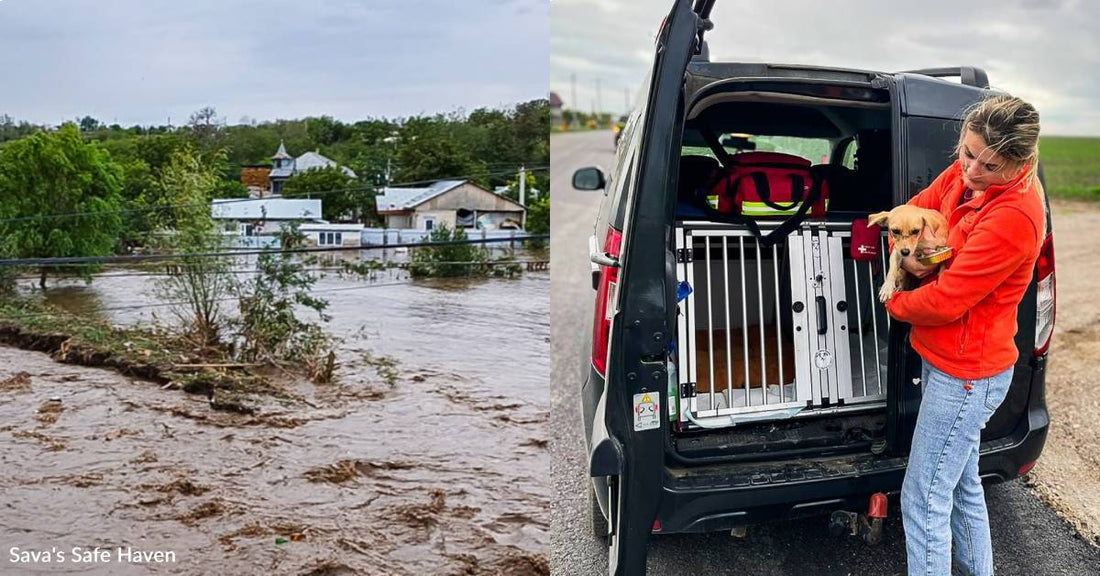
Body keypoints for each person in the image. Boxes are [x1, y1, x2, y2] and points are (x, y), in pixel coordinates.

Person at [884, 94, 1046, 576]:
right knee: (961, 484)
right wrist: (919, 248)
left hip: (967, 375)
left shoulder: (1014, 216)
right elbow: (914, 209)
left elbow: (946, 301)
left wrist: (894, 301)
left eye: (989, 165)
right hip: (945, 359)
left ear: (1020, 162)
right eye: (967, 153)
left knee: (923, 496)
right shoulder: (965, 174)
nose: (971, 171)